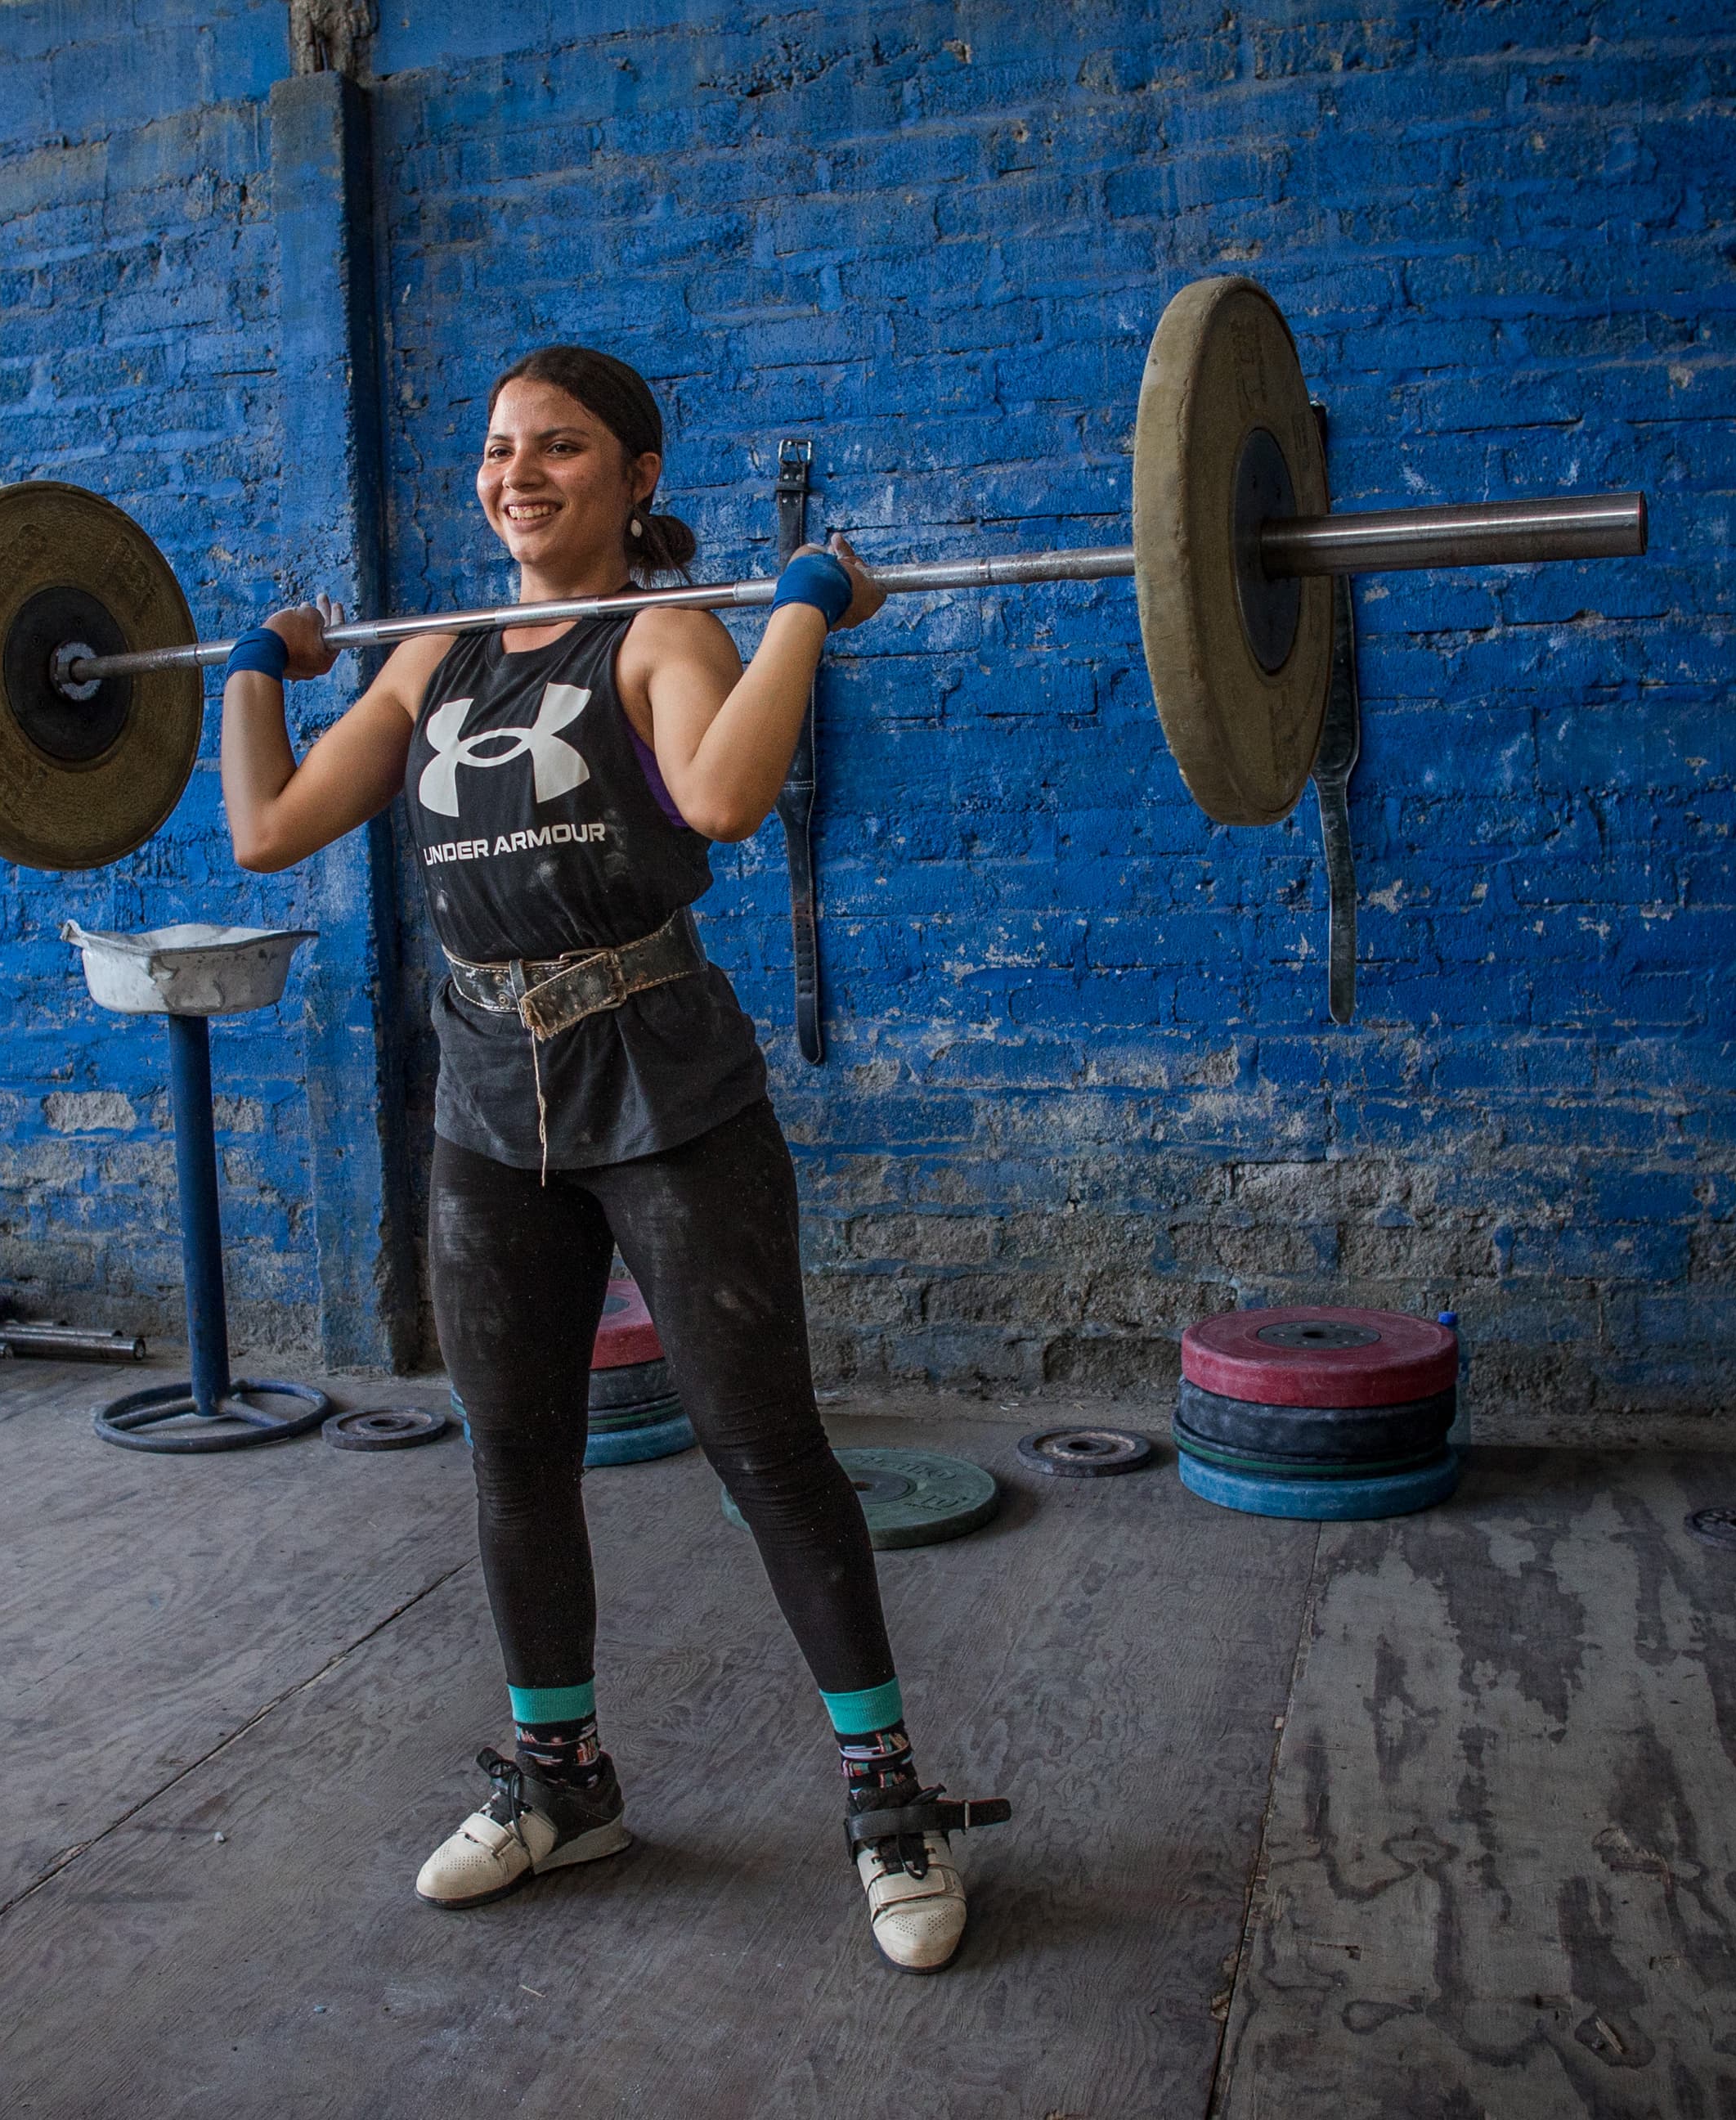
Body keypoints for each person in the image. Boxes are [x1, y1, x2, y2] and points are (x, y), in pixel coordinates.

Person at [216, 346, 1007, 1973]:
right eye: (501, 449)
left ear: (637, 477)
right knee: (513, 1453)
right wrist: (250, 671)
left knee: (764, 1449)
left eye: (561, 448)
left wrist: (796, 608)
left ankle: (888, 1800)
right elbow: (269, 830)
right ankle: (560, 1779)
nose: (519, 475)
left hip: (664, 1095)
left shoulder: (665, 632)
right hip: (490, 1109)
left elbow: (721, 800)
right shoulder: (428, 652)